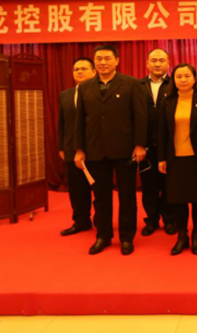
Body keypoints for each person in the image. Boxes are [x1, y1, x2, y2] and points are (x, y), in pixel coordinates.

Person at [74, 44, 147, 255]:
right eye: (99, 59)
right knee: (100, 196)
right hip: (95, 149)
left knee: (127, 195)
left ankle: (126, 237)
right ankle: (103, 235)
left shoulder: (131, 84)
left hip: (125, 150)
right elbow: (80, 121)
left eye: (107, 58)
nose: (103, 62)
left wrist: (139, 144)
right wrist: (79, 149)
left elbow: (140, 117)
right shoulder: (85, 87)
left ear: (117, 60)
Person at [158, 64, 197, 255]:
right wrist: (161, 158)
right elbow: (162, 132)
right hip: (175, 158)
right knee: (178, 200)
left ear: (194, 78)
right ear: (173, 80)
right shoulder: (167, 101)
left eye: (187, 76)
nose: (183, 80)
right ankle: (182, 236)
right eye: (178, 77)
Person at [140, 48, 177, 236]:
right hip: (146, 146)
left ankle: (170, 220)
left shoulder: (175, 84)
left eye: (162, 60)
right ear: (147, 63)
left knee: (169, 185)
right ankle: (152, 219)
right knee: (149, 186)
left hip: (170, 145)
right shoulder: (138, 85)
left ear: (168, 63)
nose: (157, 64)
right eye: (153, 60)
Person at [58, 57, 95, 237]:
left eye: (84, 68)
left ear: (94, 72)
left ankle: (102, 220)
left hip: (95, 147)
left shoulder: (100, 93)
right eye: (76, 69)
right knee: (76, 188)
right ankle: (81, 221)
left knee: (99, 188)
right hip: (71, 148)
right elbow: (62, 123)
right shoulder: (65, 95)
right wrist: (61, 146)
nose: (79, 72)